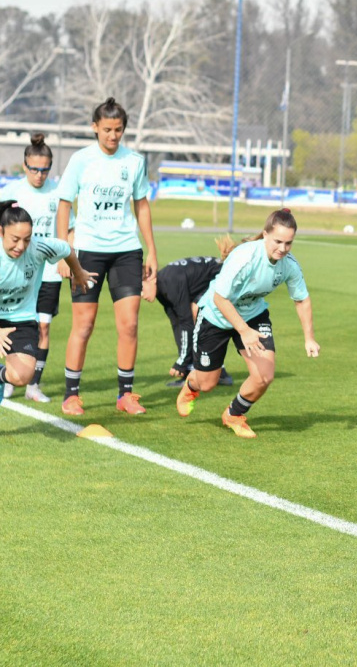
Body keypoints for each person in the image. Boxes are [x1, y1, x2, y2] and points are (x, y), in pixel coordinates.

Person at [175, 209, 320, 439]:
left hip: (253, 315)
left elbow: (301, 299)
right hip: (216, 315)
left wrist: (309, 337)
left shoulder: (289, 265)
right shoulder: (245, 258)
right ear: (265, 234)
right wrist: (243, 331)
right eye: (278, 241)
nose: (282, 248)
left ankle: (234, 414)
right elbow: (219, 298)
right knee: (208, 383)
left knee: (264, 375)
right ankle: (191, 386)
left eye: (289, 243)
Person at [56, 97, 157, 416]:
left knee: (129, 324)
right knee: (83, 325)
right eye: (108, 130)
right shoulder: (81, 160)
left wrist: (151, 248)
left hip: (127, 250)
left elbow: (141, 205)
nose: (113, 136)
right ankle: (71, 395)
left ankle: (125, 395)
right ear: (95, 128)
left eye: (119, 130)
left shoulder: (135, 161)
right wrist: (63, 251)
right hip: (87, 252)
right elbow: (64, 203)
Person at [0, 133, 74, 402]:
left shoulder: (58, 193)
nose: (40, 175)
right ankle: (8, 379)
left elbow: (69, 233)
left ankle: (33, 384)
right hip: (12, 273)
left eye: (45, 169)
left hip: (46, 273)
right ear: (24, 166)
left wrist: (68, 262)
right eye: (34, 169)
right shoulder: (10, 193)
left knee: (43, 328)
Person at [0, 200, 94, 406]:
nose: (21, 246)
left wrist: (78, 273)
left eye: (26, 239)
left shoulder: (37, 248)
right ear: (1, 232)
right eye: (15, 239)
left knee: (22, 376)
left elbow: (66, 249)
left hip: (20, 319)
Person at [140, 242, 233, 388]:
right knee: (185, 318)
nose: (141, 295)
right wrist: (182, 362)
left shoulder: (170, 283)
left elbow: (186, 322)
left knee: (196, 311)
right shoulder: (163, 288)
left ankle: (217, 370)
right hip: (209, 281)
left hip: (223, 278)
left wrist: (181, 362)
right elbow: (176, 323)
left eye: (141, 288)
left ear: (151, 278)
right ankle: (204, 371)